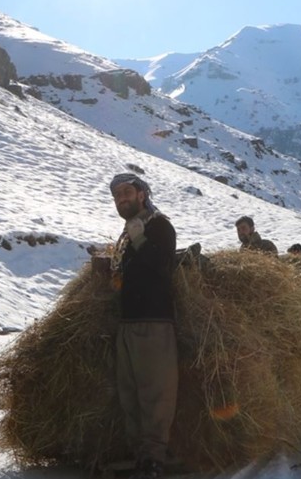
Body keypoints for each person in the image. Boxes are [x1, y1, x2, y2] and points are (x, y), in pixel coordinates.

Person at [109, 173, 178, 479]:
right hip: (128, 323)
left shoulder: (159, 225)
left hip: (154, 321)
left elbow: (160, 262)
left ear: (141, 195)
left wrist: (139, 238)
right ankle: (138, 453)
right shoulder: (126, 234)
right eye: (116, 195)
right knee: (130, 392)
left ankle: (153, 459)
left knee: (156, 392)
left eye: (126, 191)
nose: (121, 198)